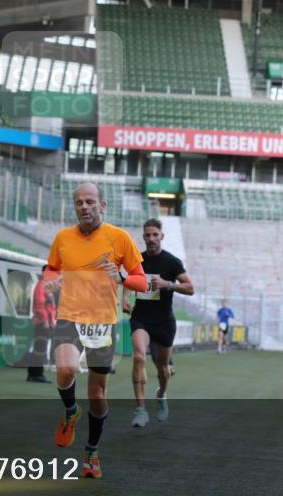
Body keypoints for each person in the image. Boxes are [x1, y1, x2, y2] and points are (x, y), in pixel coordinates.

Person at [43, 182, 147, 479]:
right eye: (79, 202)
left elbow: (141, 281)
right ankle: (71, 410)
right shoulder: (63, 238)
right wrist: (50, 279)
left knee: (98, 394)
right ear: (74, 207)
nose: (84, 207)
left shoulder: (119, 238)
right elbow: (51, 268)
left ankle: (91, 451)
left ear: (102, 206)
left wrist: (122, 276)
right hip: (69, 317)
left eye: (90, 202)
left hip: (102, 322)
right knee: (65, 369)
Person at [123, 219, 194, 427]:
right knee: (138, 356)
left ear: (161, 236)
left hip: (163, 322)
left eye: (155, 235)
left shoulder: (172, 262)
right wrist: (125, 298)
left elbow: (190, 288)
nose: (151, 239)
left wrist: (168, 284)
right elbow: (129, 280)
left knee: (163, 368)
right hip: (141, 318)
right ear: (143, 237)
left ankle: (161, 395)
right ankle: (141, 410)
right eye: (148, 235)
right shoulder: (137, 260)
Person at [27, 265, 55, 383]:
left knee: (39, 348)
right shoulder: (42, 285)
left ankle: (33, 374)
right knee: (40, 348)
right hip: (42, 322)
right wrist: (45, 321)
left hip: (46, 322)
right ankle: (37, 374)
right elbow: (39, 304)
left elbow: (49, 306)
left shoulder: (47, 286)